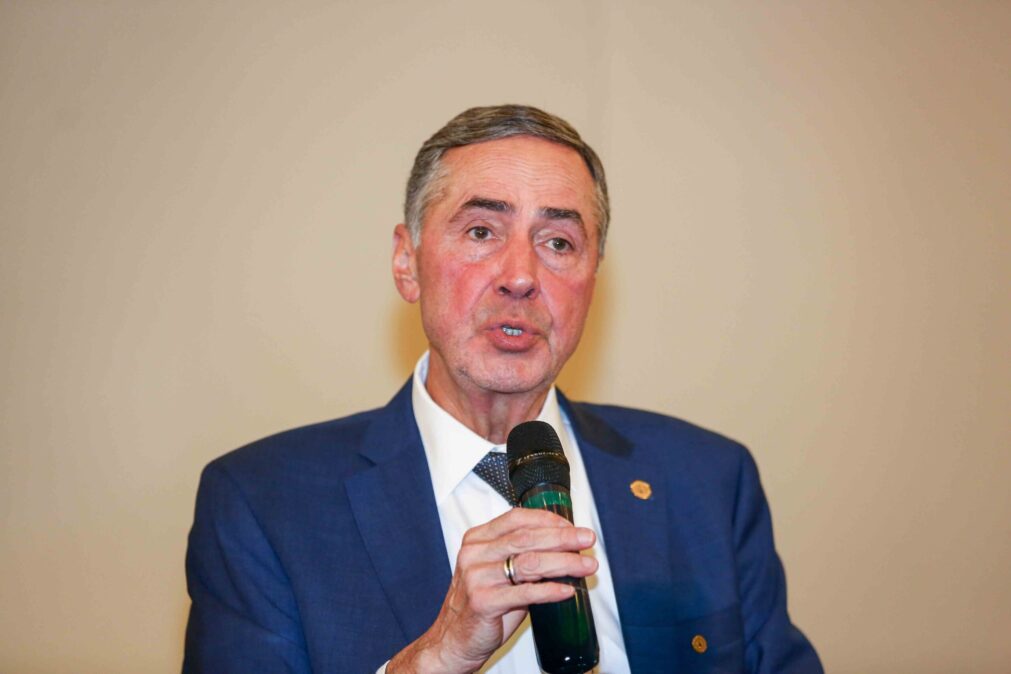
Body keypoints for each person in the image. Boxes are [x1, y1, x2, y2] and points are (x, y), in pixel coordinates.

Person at [183, 105, 823, 673]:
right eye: (482, 232)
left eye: (558, 242)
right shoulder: (264, 503)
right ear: (407, 262)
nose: (520, 276)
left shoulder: (706, 480)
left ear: (593, 279)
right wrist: (436, 657)